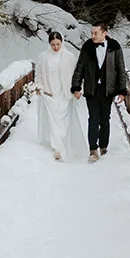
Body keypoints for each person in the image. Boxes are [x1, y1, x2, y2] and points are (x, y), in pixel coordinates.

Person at [70, 22, 127, 162]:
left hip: (108, 89)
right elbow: (80, 67)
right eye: (92, 33)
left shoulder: (115, 47)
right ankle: (93, 149)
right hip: (91, 89)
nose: (93, 36)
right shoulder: (87, 46)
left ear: (104, 33)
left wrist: (121, 90)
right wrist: (76, 87)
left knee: (105, 118)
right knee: (93, 119)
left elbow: (120, 69)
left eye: (96, 33)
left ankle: (103, 146)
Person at [33, 31, 87, 161]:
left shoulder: (69, 56)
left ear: (62, 43)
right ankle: (57, 147)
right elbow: (38, 73)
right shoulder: (43, 57)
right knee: (53, 118)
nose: (56, 47)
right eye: (53, 45)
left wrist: (77, 89)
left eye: (58, 44)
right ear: (49, 44)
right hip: (50, 91)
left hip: (65, 91)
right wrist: (40, 86)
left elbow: (76, 74)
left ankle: (65, 141)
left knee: (65, 118)